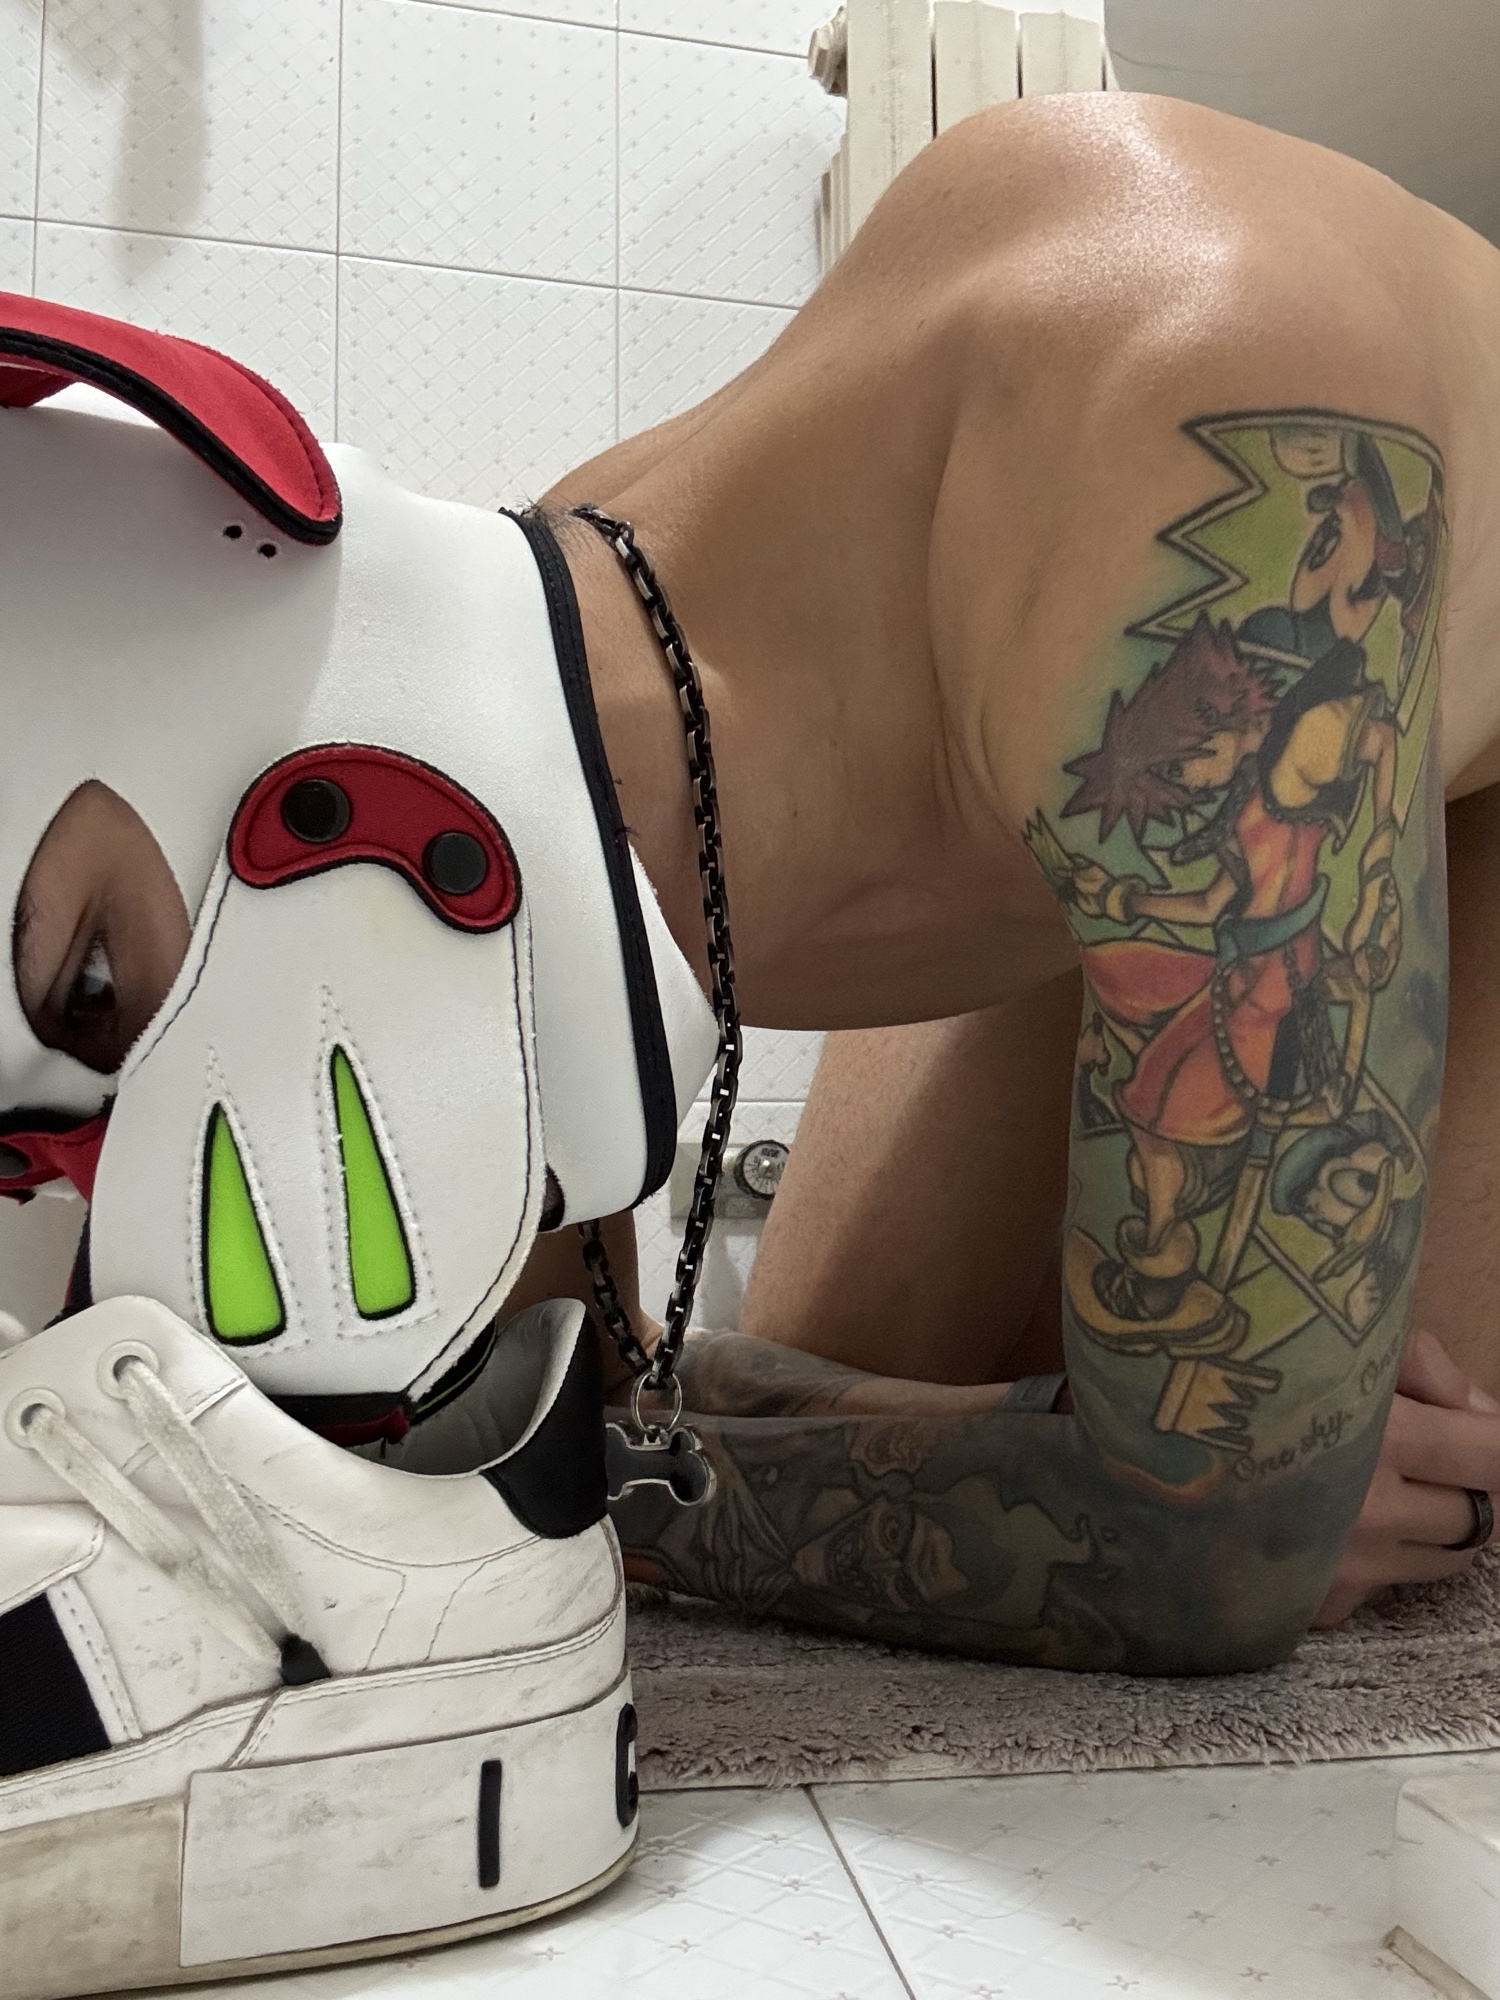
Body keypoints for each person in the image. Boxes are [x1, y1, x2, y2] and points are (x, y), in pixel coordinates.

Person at [14, 93, 1500, 1673]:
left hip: (1357, 708)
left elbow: (1211, 1564)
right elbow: (603, 1388)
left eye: (96, 986)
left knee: (1311, 1475)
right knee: (967, 1399)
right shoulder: (571, 716)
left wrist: (554, 1500)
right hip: (1109, 768)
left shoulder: (1201, 460)